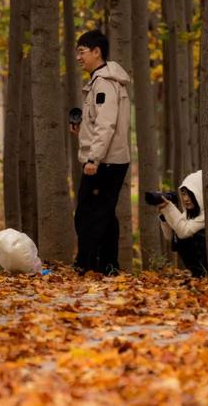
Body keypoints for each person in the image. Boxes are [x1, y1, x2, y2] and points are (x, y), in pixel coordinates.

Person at [70, 29, 131, 276]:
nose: (78, 58)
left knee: (87, 214)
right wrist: (81, 128)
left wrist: (93, 158)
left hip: (105, 161)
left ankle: (86, 264)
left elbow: (107, 125)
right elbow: (101, 122)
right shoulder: (102, 81)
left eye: (82, 52)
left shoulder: (104, 82)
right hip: (109, 159)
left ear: (97, 52)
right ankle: (108, 266)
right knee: (104, 213)